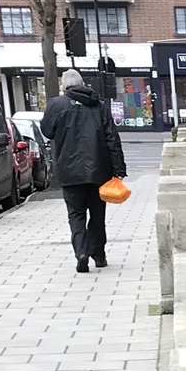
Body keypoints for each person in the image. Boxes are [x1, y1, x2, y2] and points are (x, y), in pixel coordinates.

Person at [40, 69, 127, 273]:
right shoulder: (98, 104)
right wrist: (118, 168)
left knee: (76, 214)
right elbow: (111, 137)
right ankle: (98, 254)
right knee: (97, 214)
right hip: (99, 170)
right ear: (82, 83)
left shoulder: (56, 105)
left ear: (64, 86)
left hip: (69, 170)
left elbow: (47, 131)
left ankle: (81, 252)